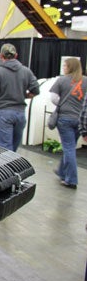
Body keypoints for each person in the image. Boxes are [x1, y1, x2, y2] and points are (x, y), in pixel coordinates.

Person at [0, 43, 39, 151]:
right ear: (16, 55)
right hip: (20, 114)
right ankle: (12, 168)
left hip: (3, 113)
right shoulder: (26, 71)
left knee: (3, 149)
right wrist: (23, 95)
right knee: (13, 150)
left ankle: (4, 168)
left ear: (1, 56)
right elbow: (36, 90)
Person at [51, 57, 87, 189]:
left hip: (64, 119)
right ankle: (62, 171)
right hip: (79, 120)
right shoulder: (85, 81)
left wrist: (62, 104)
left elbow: (54, 98)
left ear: (70, 67)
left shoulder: (62, 80)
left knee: (69, 148)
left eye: (65, 66)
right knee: (70, 146)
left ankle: (71, 179)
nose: (64, 68)